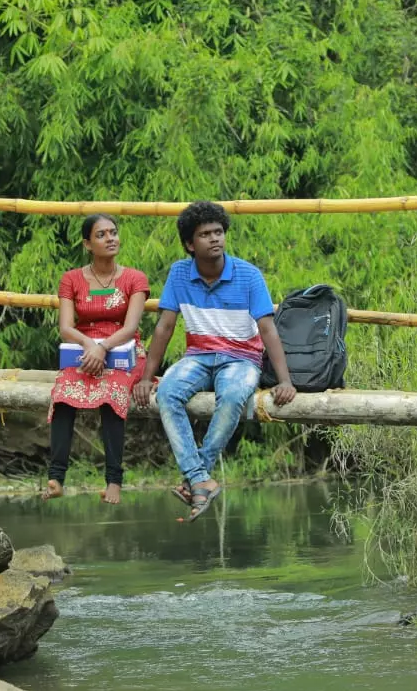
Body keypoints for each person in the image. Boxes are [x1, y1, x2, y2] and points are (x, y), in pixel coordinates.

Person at [131, 201, 296, 522]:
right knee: (166, 394)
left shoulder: (248, 275)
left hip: (241, 359)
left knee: (234, 395)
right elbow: (164, 327)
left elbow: (267, 329)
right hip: (198, 357)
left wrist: (284, 380)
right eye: (205, 234)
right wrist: (146, 377)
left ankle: (196, 475)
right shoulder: (180, 273)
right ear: (190, 244)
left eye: (218, 232)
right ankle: (200, 478)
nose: (215, 239)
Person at [44, 213, 150, 505]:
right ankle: (56, 477)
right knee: (64, 392)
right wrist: (91, 345)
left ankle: (114, 481)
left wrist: (103, 349)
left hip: (124, 350)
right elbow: (66, 328)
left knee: (113, 391)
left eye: (113, 232)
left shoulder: (134, 278)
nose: (110, 238)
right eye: (101, 235)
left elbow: (130, 327)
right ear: (87, 244)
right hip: (84, 347)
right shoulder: (72, 279)